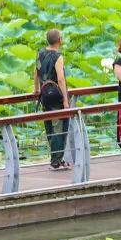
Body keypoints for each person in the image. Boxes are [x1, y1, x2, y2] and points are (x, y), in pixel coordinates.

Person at [33, 28, 71, 171]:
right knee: (59, 128)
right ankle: (56, 161)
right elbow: (61, 79)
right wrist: (66, 101)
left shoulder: (40, 53)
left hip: (45, 95)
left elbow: (36, 73)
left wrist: (36, 90)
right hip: (56, 96)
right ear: (59, 40)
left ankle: (57, 159)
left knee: (49, 126)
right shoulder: (58, 56)